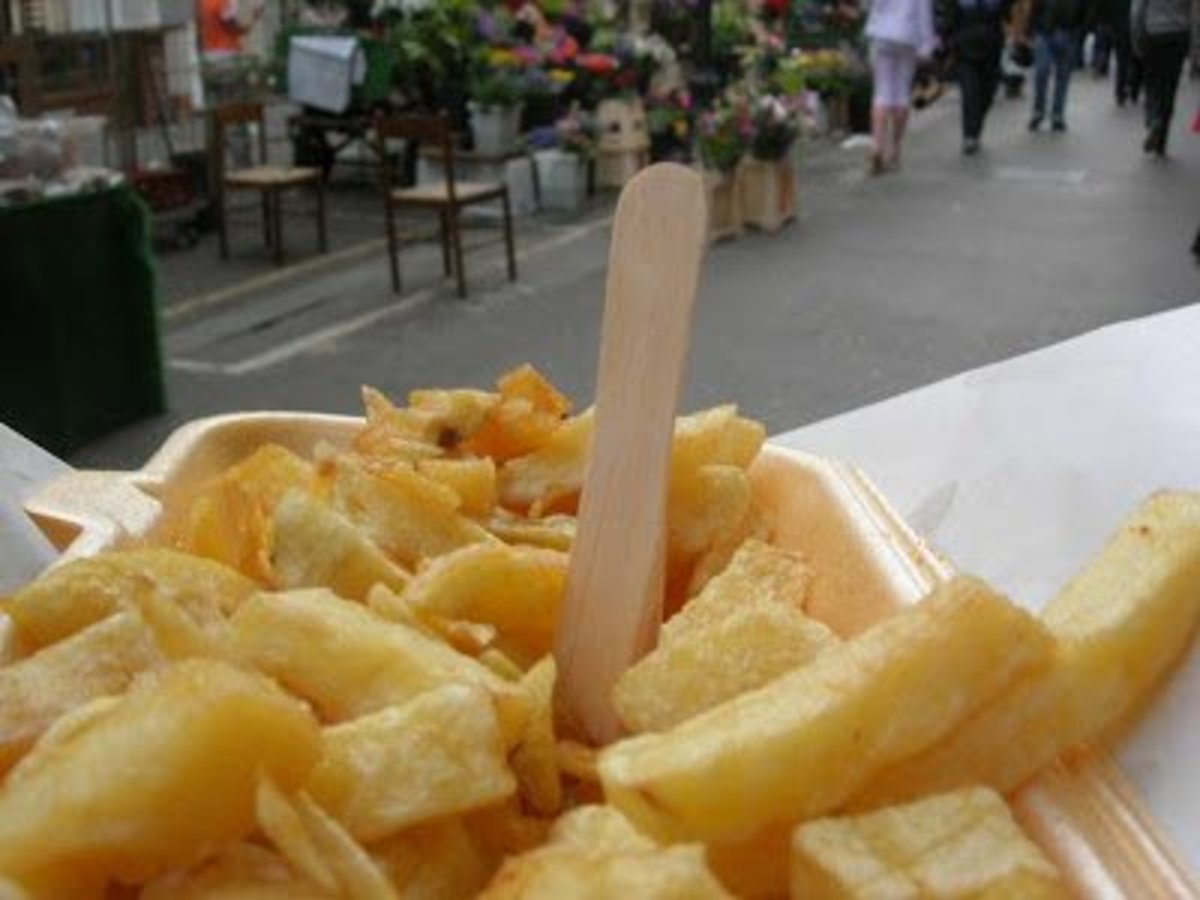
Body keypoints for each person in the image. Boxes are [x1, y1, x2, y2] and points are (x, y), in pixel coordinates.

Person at [866, 0, 938, 171]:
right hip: (907, 35)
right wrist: (926, 47)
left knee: (881, 93)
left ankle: (876, 147)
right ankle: (894, 149)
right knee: (901, 94)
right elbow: (924, 13)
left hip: (881, 33)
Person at [940, 0, 1014, 154]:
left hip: (992, 49)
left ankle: (976, 125)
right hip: (964, 49)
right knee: (969, 92)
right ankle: (969, 135)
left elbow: (1009, 14)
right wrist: (946, 43)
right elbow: (949, 18)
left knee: (988, 92)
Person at [1132, 0, 1193, 154]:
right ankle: (1162, 141)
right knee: (1170, 88)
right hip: (1178, 35)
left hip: (1153, 34)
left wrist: (1137, 39)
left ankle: (1153, 119)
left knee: (1151, 83)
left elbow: (1137, 11)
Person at [1027, 0, 1091, 130]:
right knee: (1042, 71)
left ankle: (1058, 114)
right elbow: (1034, 7)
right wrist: (1032, 30)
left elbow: (1087, 9)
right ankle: (1038, 111)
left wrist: (1080, 30)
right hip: (1044, 33)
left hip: (1068, 34)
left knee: (1063, 77)